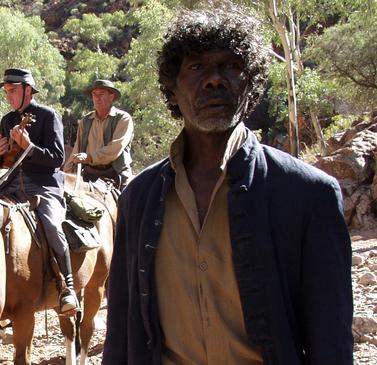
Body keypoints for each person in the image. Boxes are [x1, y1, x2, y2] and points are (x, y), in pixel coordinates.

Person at [103, 6, 353, 365]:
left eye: (231, 66)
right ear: (172, 90)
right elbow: (122, 329)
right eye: (195, 67)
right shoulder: (138, 198)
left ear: (250, 86)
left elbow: (331, 340)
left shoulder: (308, 194)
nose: (214, 79)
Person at [0, 68, 79, 314]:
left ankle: (67, 286)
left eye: (12, 91)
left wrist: (29, 147)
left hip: (44, 185)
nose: (8, 96)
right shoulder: (7, 121)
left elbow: (57, 158)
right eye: (6, 92)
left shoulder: (49, 116)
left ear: (28, 90)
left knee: (52, 225)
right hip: (11, 184)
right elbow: (6, 161)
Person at [63, 79, 133, 189]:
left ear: (111, 96)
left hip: (116, 173)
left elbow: (115, 148)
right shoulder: (85, 121)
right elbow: (77, 150)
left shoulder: (123, 119)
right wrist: (66, 173)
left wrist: (90, 157)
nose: (97, 98)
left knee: (130, 202)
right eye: (94, 94)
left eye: (101, 94)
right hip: (90, 174)